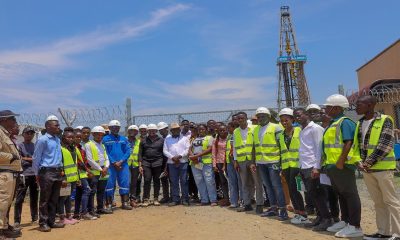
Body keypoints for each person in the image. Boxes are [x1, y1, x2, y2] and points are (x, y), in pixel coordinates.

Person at [355, 95, 400, 240]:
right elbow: (356, 147)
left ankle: (398, 233)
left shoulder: (385, 120)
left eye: (359, 104)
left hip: (383, 168)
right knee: (378, 202)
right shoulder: (359, 123)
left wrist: (368, 162)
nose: (356, 107)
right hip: (367, 170)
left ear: (370, 105)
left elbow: (385, 144)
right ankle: (384, 232)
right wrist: (358, 162)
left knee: (391, 201)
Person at [322, 94, 363, 238]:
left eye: (328, 106)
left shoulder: (344, 122)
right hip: (333, 165)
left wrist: (340, 161)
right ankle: (346, 221)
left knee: (350, 194)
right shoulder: (334, 122)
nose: (325, 108)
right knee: (341, 194)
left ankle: (355, 225)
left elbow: (348, 142)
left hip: (342, 165)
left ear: (337, 108)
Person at [293, 108, 332, 231]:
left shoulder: (315, 129)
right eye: (295, 116)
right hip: (304, 166)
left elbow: (319, 149)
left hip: (313, 166)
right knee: (312, 194)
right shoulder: (301, 130)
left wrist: (317, 167)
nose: (297, 118)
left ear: (306, 115)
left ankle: (327, 219)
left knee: (319, 194)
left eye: (299, 115)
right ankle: (319, 217)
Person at [33, 115, 65, 232]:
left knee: (54, 198)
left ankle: (51, 221)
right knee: (45, 199)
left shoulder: (57, 139)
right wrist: (37, 174)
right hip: (46, 172)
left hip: (57, 171)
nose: (58, 127)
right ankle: (43, 223)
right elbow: (36, 158)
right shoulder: (42, 140)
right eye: (56, 125)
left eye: (58, 125)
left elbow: (58, 156)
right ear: (48, 126)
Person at [253, 107, 286, 219]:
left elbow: (281, 145)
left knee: (276, 186)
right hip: (261, 162)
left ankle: (283, 210)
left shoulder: (276, 127)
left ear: (269, 116)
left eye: (263, 116)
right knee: (268, 186)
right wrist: (253, 162)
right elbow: (254, 147)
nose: (260, 118)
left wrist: (281, 162)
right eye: (259, 117)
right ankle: (273, 208)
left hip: (273, 161)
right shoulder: (256, 130)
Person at [278, 108, 308, 224]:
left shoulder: (299, 131)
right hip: (286, 166)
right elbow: (282, 151)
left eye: (286, 120)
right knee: (291, 190)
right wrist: (281, 167)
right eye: (282, 121)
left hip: (297, 165)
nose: (284, 123)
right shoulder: (281, 135)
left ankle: (303, 214)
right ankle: (298, 212)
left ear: (292, 119)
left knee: (297, 190)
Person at [233, 111, 264, 214]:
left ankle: (259, 204)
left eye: (242, 118)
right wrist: (235, 160)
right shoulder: (236, 131)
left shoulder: (254, 128)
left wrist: (255, 160)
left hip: (253, 159)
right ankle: (247, 204)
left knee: (257, 182)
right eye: (238, 119)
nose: (240, 120)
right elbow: (234, 148)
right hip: (241, 160)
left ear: (246, 118)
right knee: (245, 183)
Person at [0, 110, 22, 239]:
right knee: (2, 202)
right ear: (4, 120)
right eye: (12, 118)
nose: (15, 121)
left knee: (6, 203)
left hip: (11, 173)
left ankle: (4, 227)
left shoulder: (6, 134)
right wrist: (12, 156)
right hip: (4, 173)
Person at [102, 120, 132, 211]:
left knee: (124, 183)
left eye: (117, 127)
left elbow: (128, 151)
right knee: (109, 184)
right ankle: (109, 204)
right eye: (113, 127)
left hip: (123, 165)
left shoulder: (123, 139)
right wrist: (114, 162)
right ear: (110, 128)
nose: (115, 129)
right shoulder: (105, 139)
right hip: (111, 166)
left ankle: (125, 203)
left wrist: (121, 161)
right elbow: (105, 152)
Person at [14, 126, 39, 229]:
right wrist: (32, 159)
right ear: (23, 134)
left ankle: (34, 218)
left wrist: (27, 159)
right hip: (23, 175)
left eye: (31, 133)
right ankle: (17, 221)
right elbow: (20, 160)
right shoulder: (19, 146)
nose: (29, 135)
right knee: (19, 199)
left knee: (34, 198)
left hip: (34, 175)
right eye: (27, 133)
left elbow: (37, 160)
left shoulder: (35, 146)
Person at [85, 126, 112, 214]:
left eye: (101, 135)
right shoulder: (88, 145)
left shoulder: (102, 145)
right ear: (93, 134)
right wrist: (101, 169)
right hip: (94, 171)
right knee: (92, 191)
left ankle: (100, 208)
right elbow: (90, 160)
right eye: (98, 135)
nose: (100, 137)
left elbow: (106, 157)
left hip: (103, 170)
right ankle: (91, 210)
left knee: (101, 190)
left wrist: (106, 167)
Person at [189, 124, 217, 206]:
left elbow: (210, 149)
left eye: (203, 129)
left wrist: (197, 156)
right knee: (199, 181)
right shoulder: (194, 139)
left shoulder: (210, 138)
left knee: (209, 180)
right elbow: (189, 149)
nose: (201, 131)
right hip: (195, 163)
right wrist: (193, 157)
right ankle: (204, 199)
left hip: (206, 162)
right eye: (199, 129)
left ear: (206, 129)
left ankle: (213, 199)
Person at [163, 123, 190, 206]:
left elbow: (187, 149)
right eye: (174, 129)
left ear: (180, 130)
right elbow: (165, 151)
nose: (176, 130)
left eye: (177, 129)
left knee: (184, 181)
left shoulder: (185, 138)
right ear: (171, 131)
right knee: (174, 181)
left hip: (183, 162)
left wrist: (180, 156)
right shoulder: (167, 139)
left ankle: (185, 199)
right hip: (171, 163)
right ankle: (175, 199)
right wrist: (172, 158)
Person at [57, 128, 80, 225]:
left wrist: (78, 178)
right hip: (65, 179)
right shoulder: (60, 149)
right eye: (68, 137)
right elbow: (59, 165)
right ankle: (62, 217)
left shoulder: (73, 149)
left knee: (69, 197)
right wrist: (62, 178)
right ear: (63, 138)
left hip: (73, 178)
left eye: (72, 137)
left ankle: (69, 216)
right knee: (62, 198)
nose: (71, 139)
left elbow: (75, 164)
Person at [138, 124, 164, 207]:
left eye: (153, 130)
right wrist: (140, 165)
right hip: (146, 163)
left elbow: (164, 152)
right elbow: (140, 153)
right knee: (147, 179)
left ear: (156, 131)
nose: (152, 132)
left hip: (158, 162)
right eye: (150, 130)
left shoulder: (161, 140)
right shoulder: (143, 140)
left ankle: (156, 199)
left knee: (157, 180)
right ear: (147, 131)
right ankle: (146, 199)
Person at [73, 130, 94, 220]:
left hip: (82, 173)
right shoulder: (73, 148)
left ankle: (77, 213)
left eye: (79, 137)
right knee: (87, 190)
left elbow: (84, 160)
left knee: (79, 193)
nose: (78, 138)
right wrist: (88, 170)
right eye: (76, 137)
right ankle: (84, 213)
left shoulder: (80, 148)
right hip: (78, 173)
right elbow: (79, 162)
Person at [212, 124, 230, 207]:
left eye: (224, 130)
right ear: (218, 131)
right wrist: (214, 164)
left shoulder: (230, 138)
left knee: (232, 181)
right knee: (223, 182)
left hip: (229, 162)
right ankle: (226, 198)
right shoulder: (216, 140)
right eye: (220, 130)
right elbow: (214, 153)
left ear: (227, 130)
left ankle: (235, 198)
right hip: (219, 162)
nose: (222, 132)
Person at [225, 122, 242, 208]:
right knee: (232, 182)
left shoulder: (238, 134)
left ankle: (242, 201)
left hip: (237, 160)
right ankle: (234, 201)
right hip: (229, 161)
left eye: (229, 127)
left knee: (240, 182)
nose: (228, 129)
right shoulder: (228, 136)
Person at [127, 125, 141, 207]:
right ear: (128, 131)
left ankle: (132, 199)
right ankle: (125, 200)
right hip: (126, 165)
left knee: (134, 183)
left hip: (135, 165)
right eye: (131, 130)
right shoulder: (124, 141)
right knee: (127, 182)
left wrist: (140, 165)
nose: (133, 132)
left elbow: (140, 154)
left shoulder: (138, 142)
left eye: (135, 130)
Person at [157, 122, 170, 204]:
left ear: (167, 129)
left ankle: (173, 196)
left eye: (163, 129)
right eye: (160, 130)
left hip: (170, 161)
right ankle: (166, 196)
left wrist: (167, 165)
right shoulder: (161, 139)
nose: (161, 131)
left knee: (172, 180)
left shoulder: (170, 138)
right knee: (164, 180)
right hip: (162, 162)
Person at [188, 124, 199, 202]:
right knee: (191, 178)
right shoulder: (189, 139)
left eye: (194, 129)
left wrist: (195, 157)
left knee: (198, 178)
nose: (192, 131)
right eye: (191, 129)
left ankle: (198, 195)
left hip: (199, 161)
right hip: (191, 161)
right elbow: (188, 149)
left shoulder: (199, 138)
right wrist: (192, 156)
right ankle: (193, 195)